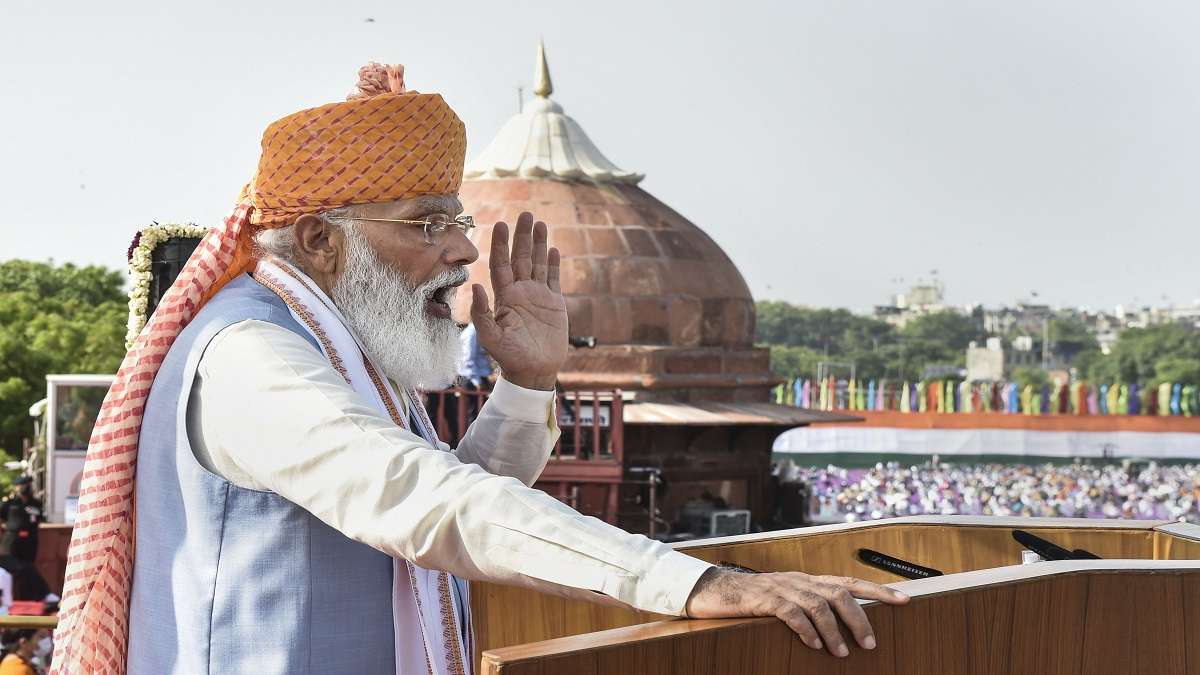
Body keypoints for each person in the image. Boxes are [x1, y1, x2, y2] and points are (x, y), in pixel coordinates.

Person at [54, 63, 905, 673]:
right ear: (319, 238)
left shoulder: (339, 339)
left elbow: (428, 516)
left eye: (456, 220)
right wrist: (694, 580)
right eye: (428, 225)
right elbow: (421, 507)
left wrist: (528, 382)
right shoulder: (248, 353)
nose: (463, 249)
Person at [0, 478, 42, 565]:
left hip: (30, 541)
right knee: (10, 567)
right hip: (12, 540)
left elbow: (38, 520)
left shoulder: (36, 503)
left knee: (28, 568)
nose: (26, 487)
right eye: (22, 485)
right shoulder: (9, 503)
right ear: (16, 487)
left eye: (28, 485)